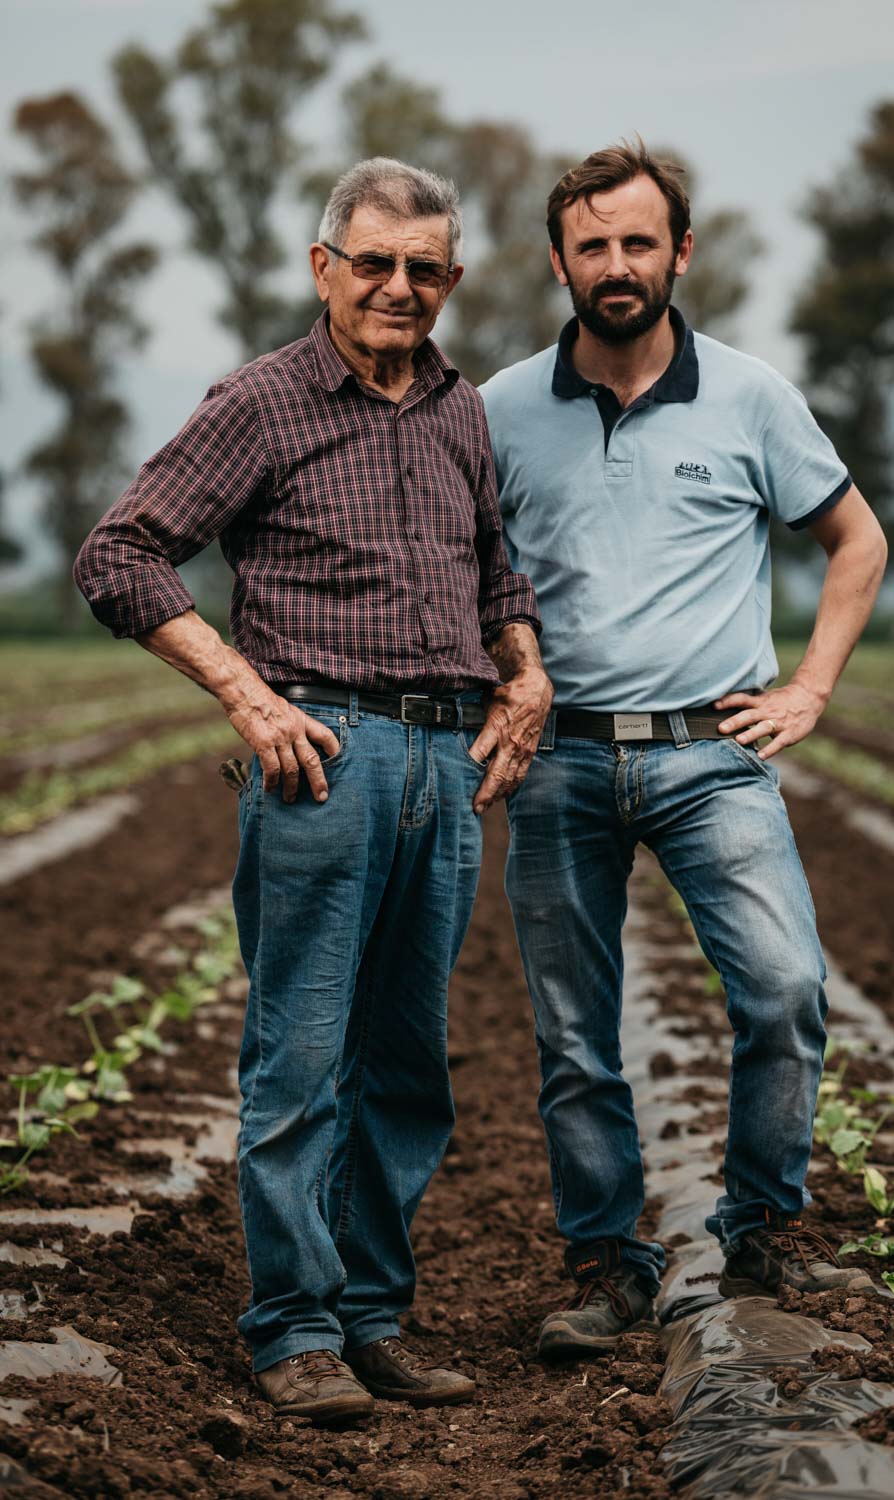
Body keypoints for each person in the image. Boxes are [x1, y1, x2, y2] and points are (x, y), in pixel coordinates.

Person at [75, 157, 552, 1418]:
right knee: (302, 1057)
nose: (400, 288)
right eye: (376, 263)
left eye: (426, 269)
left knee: (407, 1065)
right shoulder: (263, 404)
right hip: (322, 760)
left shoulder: (458, 410)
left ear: (451, 279)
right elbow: (117, 555)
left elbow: (495, 575)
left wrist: (527, 673)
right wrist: (246, 693)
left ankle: (371, 1316)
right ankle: (293, 1330)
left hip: (444, 769)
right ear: (323, 269)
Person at [479, 140, 887, 1362]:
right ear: (559, 261)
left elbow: (854, 541)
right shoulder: (495, 408)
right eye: (591, 245)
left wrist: (810, 685)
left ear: (680, 252)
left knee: (784, 990)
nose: (615, 264)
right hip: (558, 762)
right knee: (571, 1033)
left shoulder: (752, 395)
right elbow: (459, 570)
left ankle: (759, 1229)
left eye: (637, 241)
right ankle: (607, 1262)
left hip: (713, 754)